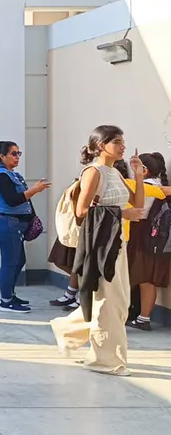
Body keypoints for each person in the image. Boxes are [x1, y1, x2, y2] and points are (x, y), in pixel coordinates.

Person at [49, 126, 145, 377]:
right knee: (108, 303)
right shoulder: (93, 172)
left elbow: (138, 205)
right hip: (100, 245)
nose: (123, 146)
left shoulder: (114, 172)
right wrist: (122, 214)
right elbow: (82, 212)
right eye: (117, 141)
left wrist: (138, 175)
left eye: (123, 141)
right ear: (101, 145)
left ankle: (66, 331)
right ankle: (105, 360)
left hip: (117, 242)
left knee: (118, 302)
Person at [0, 141, 50, 313]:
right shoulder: (1, 175)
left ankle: (10, 294)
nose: (17, 157)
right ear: (2, 156)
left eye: (18, 153)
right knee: (10, 262)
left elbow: (23, 200)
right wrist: (35, 190)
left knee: (19, 260)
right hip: (7, 223)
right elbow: (13, 200)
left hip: (13, 224)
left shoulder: (11, 174)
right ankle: (6, 301)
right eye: (13, 154)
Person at [125, 152, 170, 331]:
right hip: (148, 237)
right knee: (142, 278)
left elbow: (137, 208)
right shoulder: (156, 185)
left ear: (144, 170)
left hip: (144, 236)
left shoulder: (147, 187)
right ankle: (139, 315)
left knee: (145, 278)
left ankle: (143, 318)